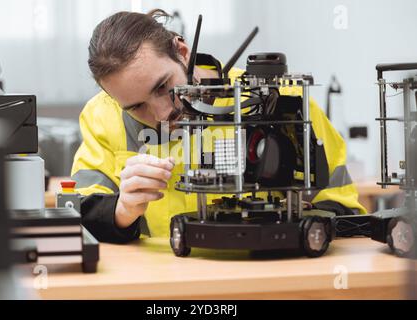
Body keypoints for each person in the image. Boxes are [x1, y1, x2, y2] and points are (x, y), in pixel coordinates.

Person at [71, 9, 366, 244]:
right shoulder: (102, 116)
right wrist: (122, 212)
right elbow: (80, 214)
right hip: (161, 283)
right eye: (136, 107)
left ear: (182, 51)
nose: (162, 113)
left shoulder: (284, 99)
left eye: (163, 86)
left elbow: (344, 212)